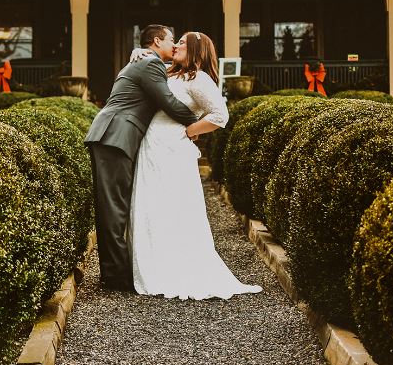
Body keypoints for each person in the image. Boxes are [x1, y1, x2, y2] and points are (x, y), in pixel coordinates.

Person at [129, 31, 262, 300]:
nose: (176, 44)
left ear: (195, 50)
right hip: (151, 146)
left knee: (174, 206)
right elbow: (142, 63)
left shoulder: (198, 79)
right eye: (175, 41)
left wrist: (191, 131)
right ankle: (152, 265)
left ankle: (176, 268)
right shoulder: (168, 72)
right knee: (149, 203)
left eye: (181, 42)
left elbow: (220, 115)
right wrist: (138, 53)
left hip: (173, 149)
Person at [85, 25, 198, 293]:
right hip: (115, 136)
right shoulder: (150, 64)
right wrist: (198, 123)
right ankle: (116, 278)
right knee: (114, 208)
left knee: (114, 206)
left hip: (113, 136)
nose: (174, 45)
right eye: (172, 40)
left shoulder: (144, 59)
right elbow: (168, 101)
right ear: (157, 41)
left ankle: (114, 272)